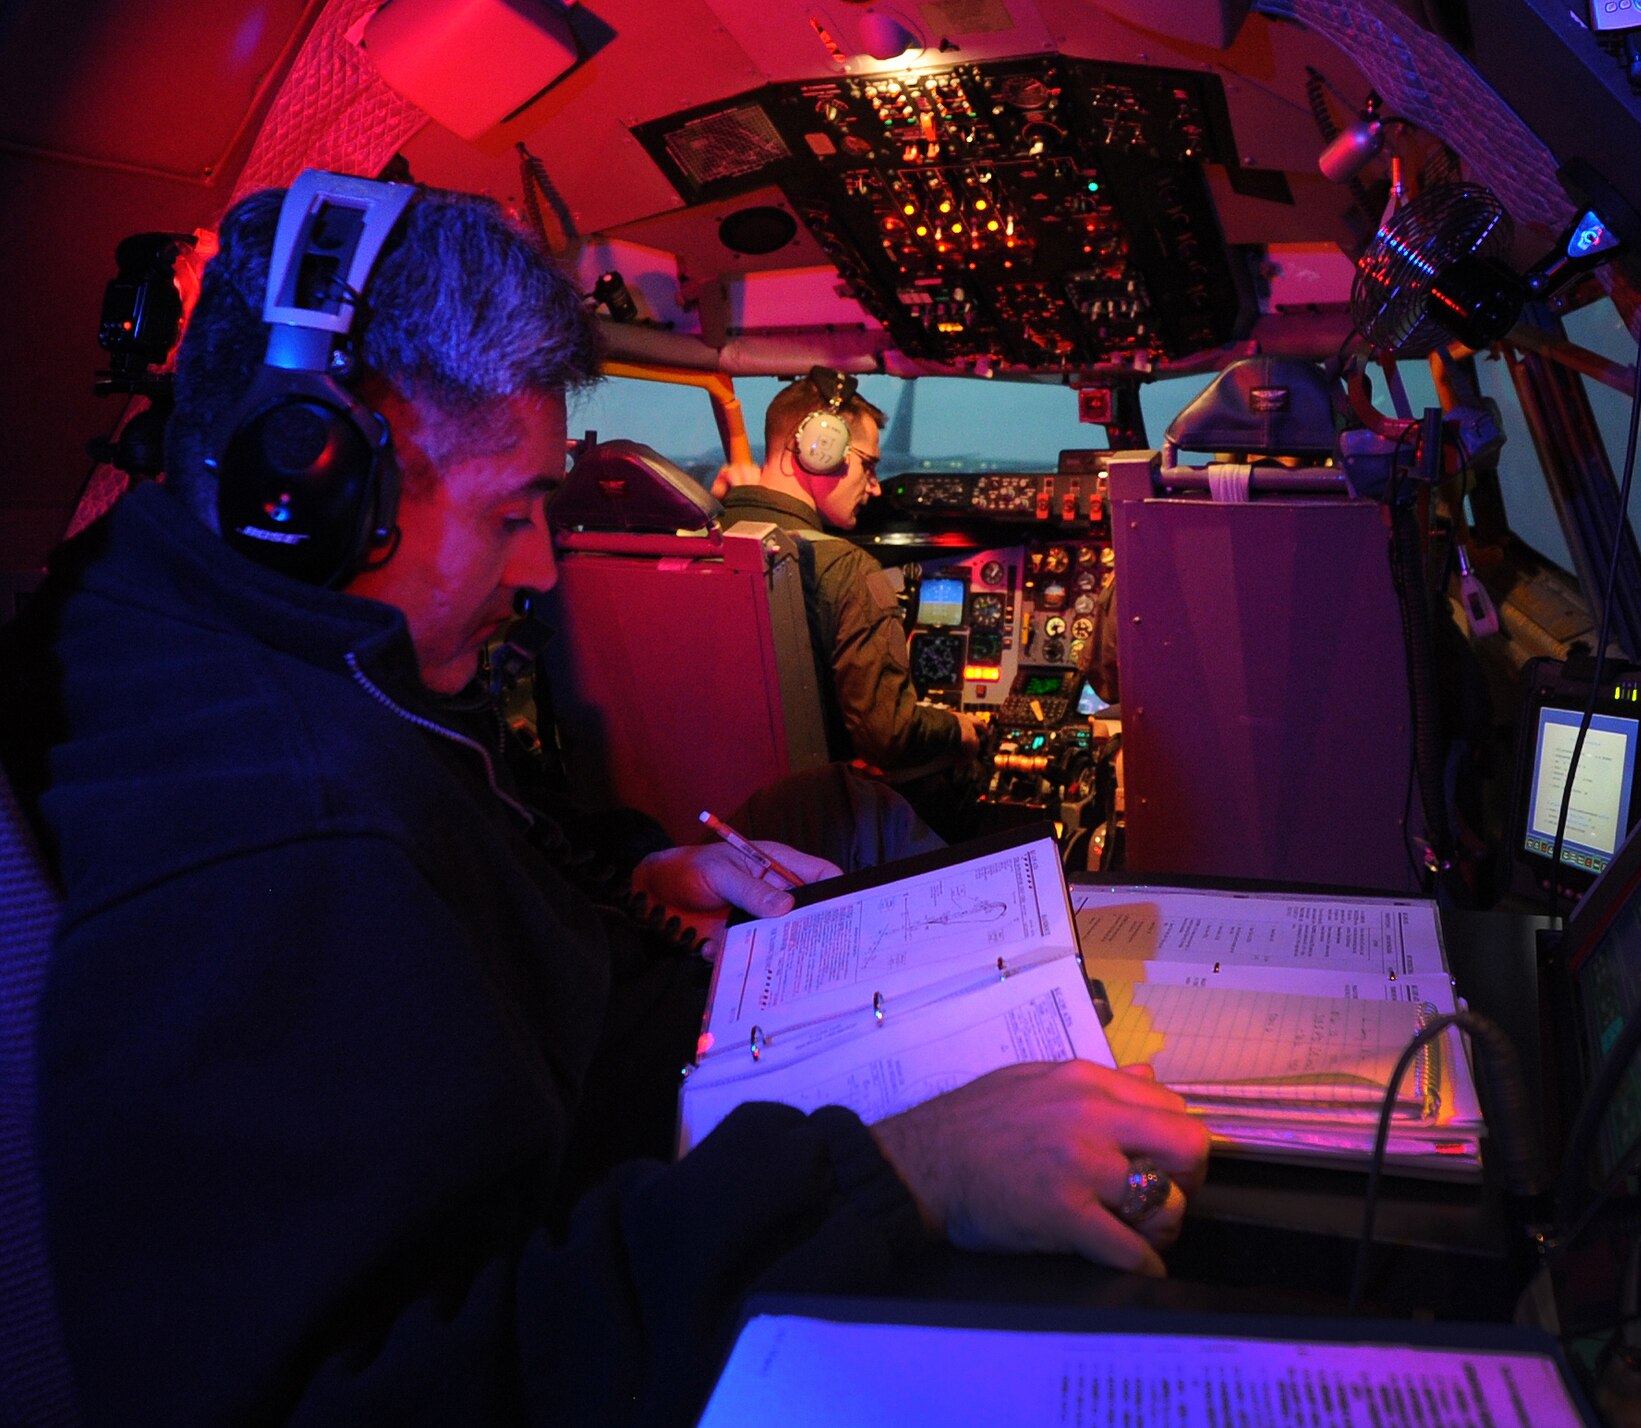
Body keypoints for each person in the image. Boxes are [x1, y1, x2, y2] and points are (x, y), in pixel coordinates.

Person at [0, 178, 1207, 1425]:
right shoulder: (279, 826)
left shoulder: (243, 654)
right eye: (512, 511)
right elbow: (377, 1385)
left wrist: (637, 878)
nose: (537, 568)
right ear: (310, 478)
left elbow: (463, 912)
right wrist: (903, 1174)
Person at [719, 377, 984, 778]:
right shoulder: (846, 568)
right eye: (869, 465)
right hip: (810, 816)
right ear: (816, 449)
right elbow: (888, 735)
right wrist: (958, 731)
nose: (875, 487)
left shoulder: (697, 545)